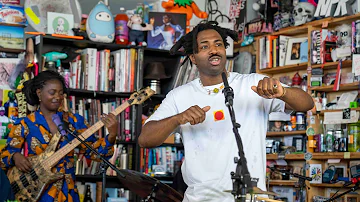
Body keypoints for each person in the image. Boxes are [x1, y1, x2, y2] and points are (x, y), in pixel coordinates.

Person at [138, 21, 314, 202]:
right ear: (193, 57)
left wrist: (283, 92)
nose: (213, 50)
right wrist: (178, 118)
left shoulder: (252, 83)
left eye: (218, 44)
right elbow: (145, 139)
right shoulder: (179, 96)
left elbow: (307, 103)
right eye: (204, 46)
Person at [0, 70, 118, 202]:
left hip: (68, 192)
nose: (58, 97)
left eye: (61, 93)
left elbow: (95, 154)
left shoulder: (74, 121)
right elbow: (4, 155)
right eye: (52, 92)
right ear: (39, 93)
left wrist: (112, 136)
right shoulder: (25, 123)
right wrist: (16, 156)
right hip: (38, 193)